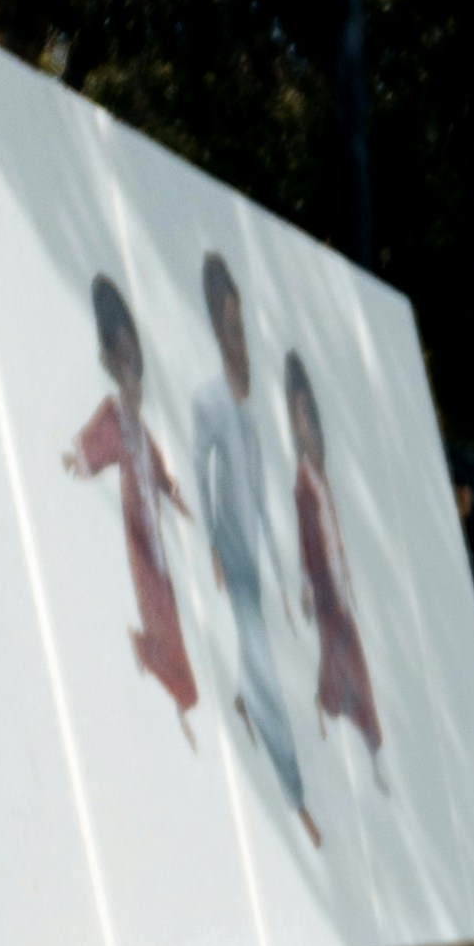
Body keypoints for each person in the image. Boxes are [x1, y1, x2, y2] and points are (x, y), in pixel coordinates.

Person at [190, 247, 320, 846]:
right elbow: (199, 466)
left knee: (257, 649)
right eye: (227, 325)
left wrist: (287, 575)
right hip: (234, 553)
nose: (237, 335)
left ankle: (245, 698)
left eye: (240, 323)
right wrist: (215, 545)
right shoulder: (210, 399)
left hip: (256, 550)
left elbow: (264, 498)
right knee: (263, 657)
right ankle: (296, 798)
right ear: (215, 328)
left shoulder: (249, 402)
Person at [61, 273, 199, 726]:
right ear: (108, 359)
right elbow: (92, 446)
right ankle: (166, 673)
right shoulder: (116, 414)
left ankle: (166, 670)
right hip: (139, 533)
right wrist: (76, 459)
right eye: (119, 355)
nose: (130, 361)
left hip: (155, 531)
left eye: (132, 350)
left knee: (169, 608)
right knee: (155, 605)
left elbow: (157, 467)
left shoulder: (140, 423)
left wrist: (174, 495)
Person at [283, 348, 385, 771]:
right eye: (300, 418)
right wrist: (307, 586)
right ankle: (366, 737)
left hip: (338, 588)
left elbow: (334, 536)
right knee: (346, 656)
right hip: (325, 590)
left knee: (342, 657)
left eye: (313, 416)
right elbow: (308, 543)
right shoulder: (303, 485)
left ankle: (339, 713)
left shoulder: (322, 479)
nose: (310, 427)